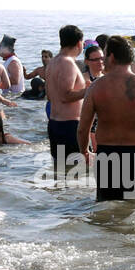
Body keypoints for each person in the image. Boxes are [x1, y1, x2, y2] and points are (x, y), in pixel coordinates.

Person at [76, 36, 135, 200]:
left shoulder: (96, 88)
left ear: (111, 57)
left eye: (105, 54)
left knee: (106, 209)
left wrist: (84, 150)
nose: (104, 59)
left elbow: (83, 128)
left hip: (107, 156)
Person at [45, 24, 89, 169]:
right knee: (75, 171)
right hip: (69, 126)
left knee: (61, 170)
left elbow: (50, 96)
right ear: (79, 43)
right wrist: (88, 89)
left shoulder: (52, 63)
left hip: (55, 124)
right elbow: (66, 95)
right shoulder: (67, 63)